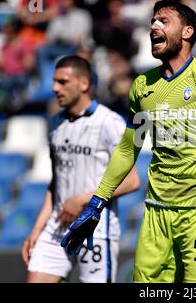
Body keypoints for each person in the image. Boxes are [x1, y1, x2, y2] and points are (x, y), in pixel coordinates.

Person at [61, 0, 196, 283]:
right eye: (152, 22)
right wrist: (96, 203)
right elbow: (129, 149)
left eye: (164, 21)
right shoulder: (143, 87)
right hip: (156, 215)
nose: (154, 26)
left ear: (187, 32)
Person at [21, 55, 141, 283]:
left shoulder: (109, 122)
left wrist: (82, 200)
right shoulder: (55, 123)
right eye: (55, 81)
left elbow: (132, 181)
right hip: (57, 225)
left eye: (63, 81)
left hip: (95, 227)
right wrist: (38, 227)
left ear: (84, 84)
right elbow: (56, 182)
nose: (55, 87)